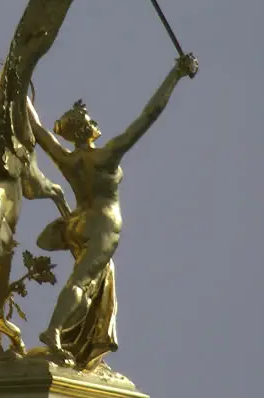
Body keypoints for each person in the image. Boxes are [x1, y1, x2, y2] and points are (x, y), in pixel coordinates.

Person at [30, 53, 198, 367]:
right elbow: (148, 116)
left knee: (90, 283)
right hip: (104, 225)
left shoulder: (67, 160)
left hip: (77, 224)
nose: (96, 122)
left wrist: (16, 86)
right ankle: (54, 331)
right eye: (91, 120)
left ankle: (72, 337)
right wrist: (175, 75)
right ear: (85, 129)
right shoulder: (107, 156)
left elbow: (37, 130)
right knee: (81, 283)